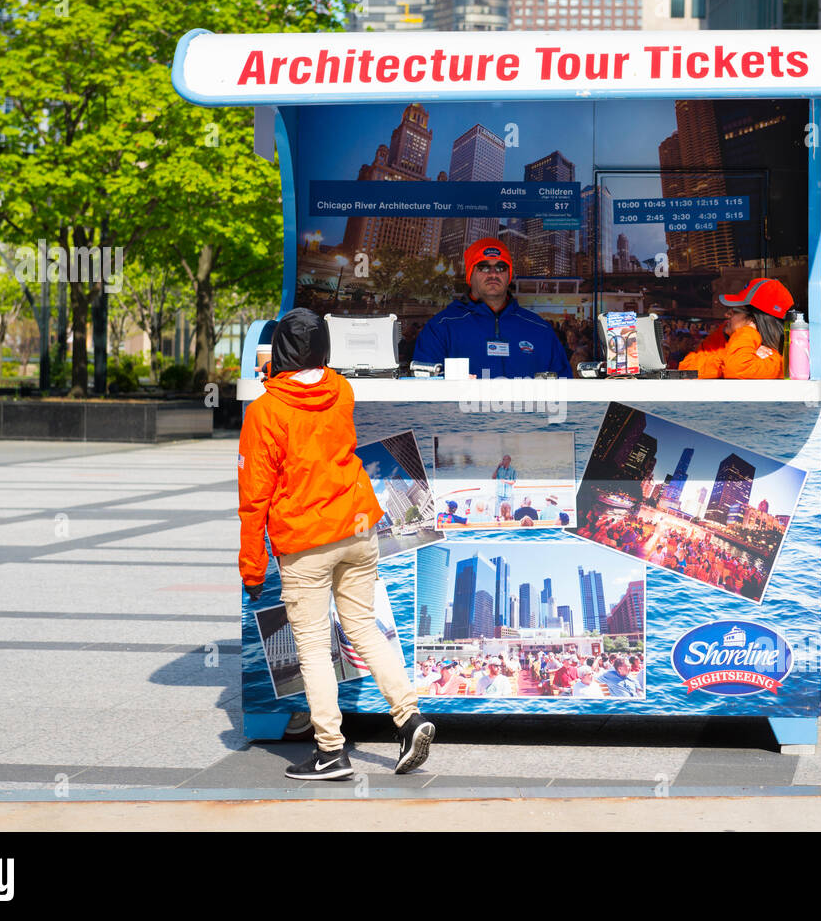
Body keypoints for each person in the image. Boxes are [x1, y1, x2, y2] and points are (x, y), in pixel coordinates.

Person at [238, 307, 435, 780]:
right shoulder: (341, 390)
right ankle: (409, 719)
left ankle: (330, 751)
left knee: (310, 646)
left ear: (279, 351)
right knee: (363, 628)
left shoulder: (265, 411)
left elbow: (253, 497)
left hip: (306, 540)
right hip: (358, 527)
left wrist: (252, 569)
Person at [411, 238, 573, 378]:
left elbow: (564, 387)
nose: (493, 273)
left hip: (525, 414)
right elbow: (425, 388)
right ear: (470, 275)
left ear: (508, 276)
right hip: (464, 413)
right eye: (483, 267)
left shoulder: (540, 329)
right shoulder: (441, 327)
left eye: (501, 267)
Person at [678, 278, 793, 379]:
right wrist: (727, 359)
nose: (726, 315)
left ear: (754, 320)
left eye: (733, 311)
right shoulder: (723, 334)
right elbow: (685, 369)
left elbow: (738, 368)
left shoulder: (778, 357)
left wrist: (748, 332)